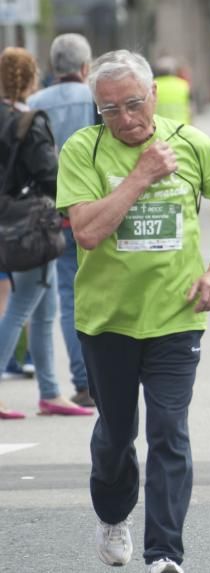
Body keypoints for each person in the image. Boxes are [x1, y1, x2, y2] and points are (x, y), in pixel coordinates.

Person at [57, 49, 210, 573]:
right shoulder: (83, 150)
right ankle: (114, 514)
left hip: (176, 317)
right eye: (110, 109)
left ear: (155, 95)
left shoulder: (192, 143)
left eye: (133, 104)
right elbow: (88, 232)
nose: (123, 119)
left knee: (169, 429)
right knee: (117, 435)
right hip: (107, 320)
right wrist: (140, 176)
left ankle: (164, 553)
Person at [0, 47, 92, 421]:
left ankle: (51, 391)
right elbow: (50, 176)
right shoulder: (27, 121)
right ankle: (50, 390)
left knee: (46, 305)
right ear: (33, 78)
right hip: (31, 224)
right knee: (24, 304)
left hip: (7, 219)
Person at [27, 32, 99, 407]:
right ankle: (103, 376)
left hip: (49, 213)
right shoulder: (97, 99)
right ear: (86, 68)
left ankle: (83, 381)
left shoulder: (34, 104)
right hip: (96, 212)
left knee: (67, 296)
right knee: (102, 290)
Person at [153, 57, 192, 125]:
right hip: (182, 127)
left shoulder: (152, 85)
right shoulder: (183, 84)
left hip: (161, 128)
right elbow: (190, 108)